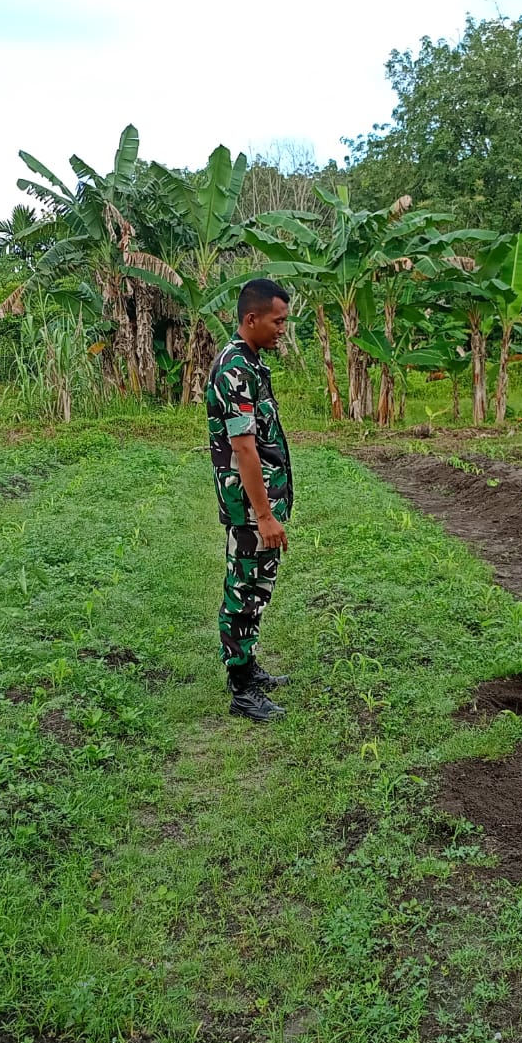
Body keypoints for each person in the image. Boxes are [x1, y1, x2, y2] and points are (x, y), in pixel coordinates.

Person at [206, 278, 295, 723]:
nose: (282, 328)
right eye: (278, 321)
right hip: (249, 509)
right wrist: (264, 515)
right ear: (251, 319)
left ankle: (247, 669)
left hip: (258, 506)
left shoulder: (250, 364)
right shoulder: (236, 370)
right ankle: (242, 692)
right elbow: (243, 448)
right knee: (244, 591)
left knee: (254, 590)